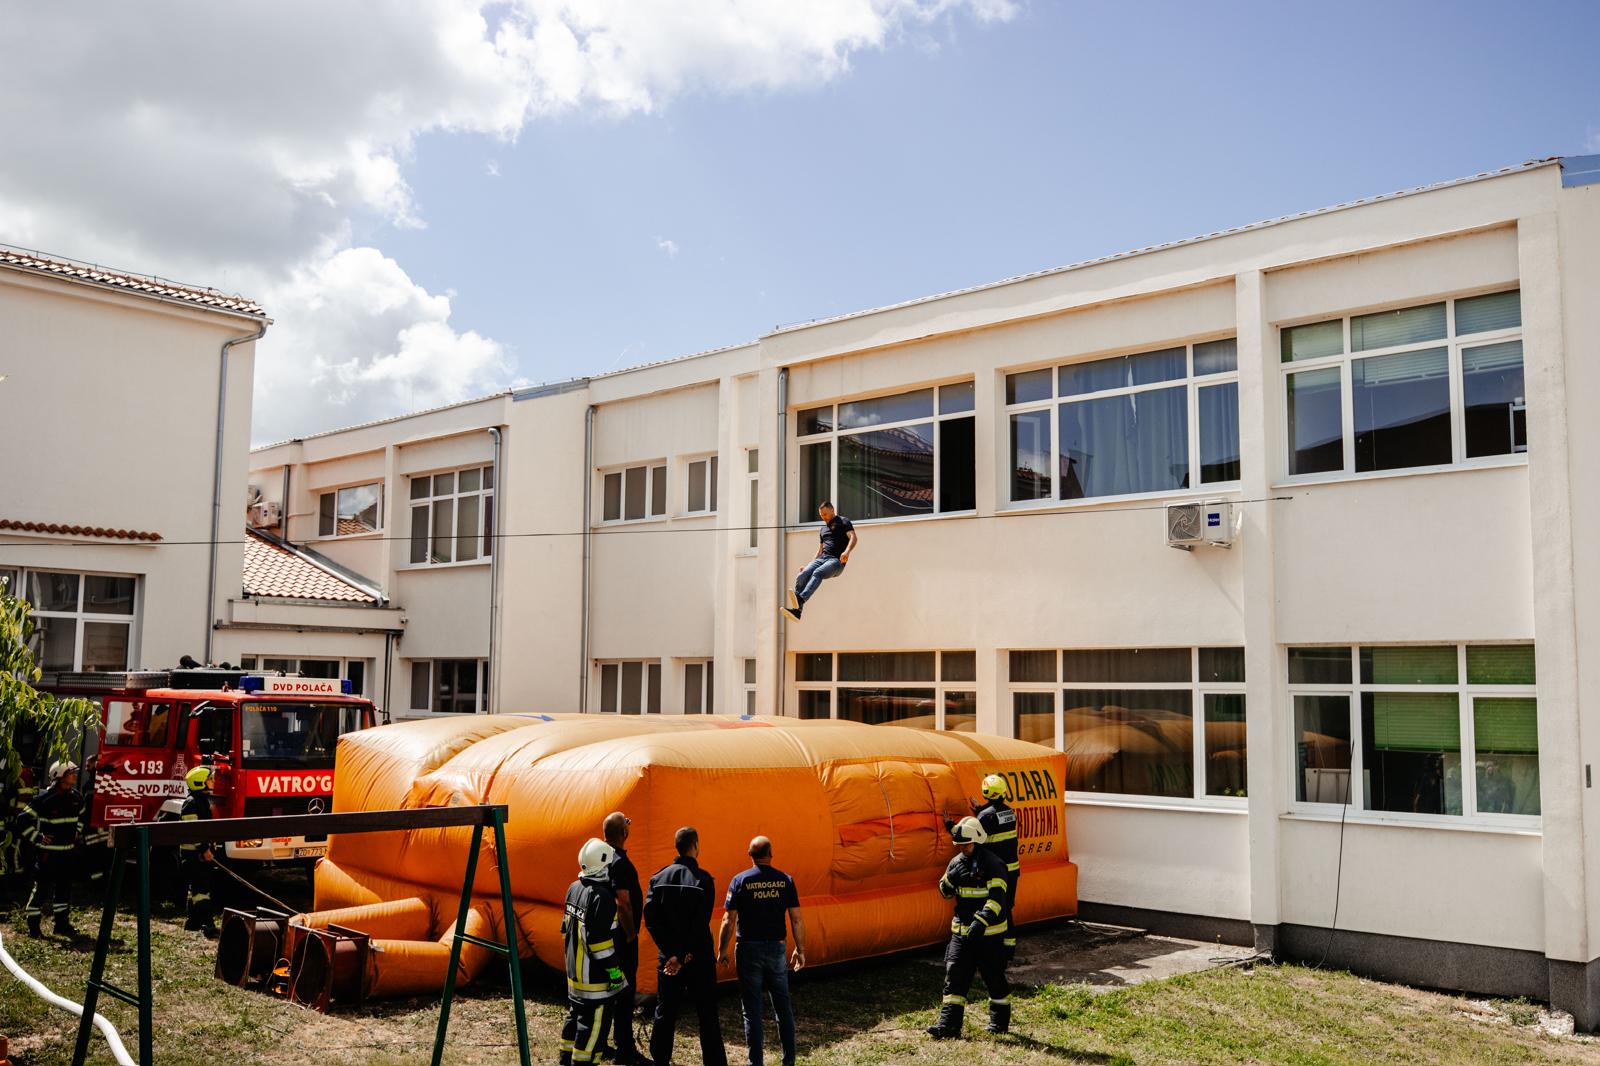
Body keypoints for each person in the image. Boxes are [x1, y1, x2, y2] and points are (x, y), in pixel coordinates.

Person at [717, 836, 805, 1066]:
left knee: (752, 1010)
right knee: (782, 1008)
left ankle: (755, 1063)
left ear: (750, 855)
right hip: (776, 948)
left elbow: (729, 919)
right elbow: (796, 918)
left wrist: (722, 949)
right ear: (771, 853)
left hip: (748, 948)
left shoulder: (740, 881)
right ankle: (789, 1061)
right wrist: (800, 949)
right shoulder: (785, 880)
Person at [644, 826, 726, 1066]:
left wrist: (671, 954)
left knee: (665, 1011)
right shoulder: (703, 880)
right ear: (696, 846)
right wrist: (684, 955)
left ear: (676, 846)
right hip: (697, 958)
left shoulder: (658, 879)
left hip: (668, 959)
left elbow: (651, 921)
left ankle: (660, 1059)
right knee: (707, 1013)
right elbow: (699, 924)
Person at [926, 816, 1012, 1040]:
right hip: (961, 934)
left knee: (993, 978)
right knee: (955, 976)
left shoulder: (994, 864)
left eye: (967, 844)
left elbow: (997, 899)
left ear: (978, 840)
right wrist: (951, 879)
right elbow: (944, 892)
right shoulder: (956, 863)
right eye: (960, 845)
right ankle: (948, 1027)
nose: (963, 848)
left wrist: (981, 922)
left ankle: (999, 1023)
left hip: (989, 935)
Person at [561, 837, 627, 1066]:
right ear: (602, 866)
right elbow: (600, 943)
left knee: (574, 1021)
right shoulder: (603, 897)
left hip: (575, 979)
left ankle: (565, 1060)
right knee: (594, 1030)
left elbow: (565, 930)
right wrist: (615, 974)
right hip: (596, 985)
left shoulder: (573, 888)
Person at [597, 811, 651, 1065]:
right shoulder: (621, 863)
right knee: (624, 991)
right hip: (621, 940)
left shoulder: (599, 858)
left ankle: (599, 1042)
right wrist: (631, 934)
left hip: (602, 937)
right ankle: (624, 1047)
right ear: (625, 834)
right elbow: (624, 903)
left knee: (606, 990)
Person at [23, 760, 82, 938]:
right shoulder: (44, 799)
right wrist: (38, 837)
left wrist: (77, 830)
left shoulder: (76, 798)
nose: (75, 776)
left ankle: (61, 925)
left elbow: (83, 814)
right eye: (71, 773)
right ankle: (33, 928)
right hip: (49, 855)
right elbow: (22, 820)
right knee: (41, 890)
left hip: (67, 854)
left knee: (64, 891)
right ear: (60, 776)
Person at [971, 773, 1021, 963]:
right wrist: (980, 810)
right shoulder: (1010, 812)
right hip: (1012, 870)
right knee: (1007, 908)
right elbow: (996, 818)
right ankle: (1009, 948)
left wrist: (952, 826)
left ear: (985, 792)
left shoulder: (985, 816)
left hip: (996, 872)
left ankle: (992, 948)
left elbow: (977, 838)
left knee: (992, 907)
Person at [782, 502, 856, 622]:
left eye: (825, 514)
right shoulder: (823, 530)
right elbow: (820, 550)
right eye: (821, 515)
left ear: (832, 510)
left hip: (836, 562)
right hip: (822, 558)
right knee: (803, 574)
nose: (824, 517)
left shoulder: (843, 521)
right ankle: (797, 610)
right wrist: (808, 565)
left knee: (818, 572)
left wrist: (847, 552)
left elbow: (853, 537)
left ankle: (801, 599)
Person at [179, 766, 220, 936]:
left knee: (197, 889)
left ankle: (193, 922)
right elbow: (192, 830)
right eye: (210, 779)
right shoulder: (191, 803)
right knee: (201, 891)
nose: (213, 781)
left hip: (199, 854)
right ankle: (208, 925)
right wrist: (204, 849)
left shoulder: (201, 800)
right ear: (199, 782)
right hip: (193, 855)